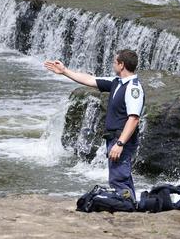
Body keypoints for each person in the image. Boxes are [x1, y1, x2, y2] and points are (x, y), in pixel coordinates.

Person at [44, 49, 145, 200]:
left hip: (121, 140)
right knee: (121, 177)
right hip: (114, 139)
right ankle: (130, 205)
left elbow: (134, 119)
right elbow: (90, 80)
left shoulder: (133, 88)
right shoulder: (116, 82)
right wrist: (65, 71)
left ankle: (125, 209)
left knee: (118, 179)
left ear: (122, 65)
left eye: (114, 62)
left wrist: (120, 143)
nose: (113, 65)